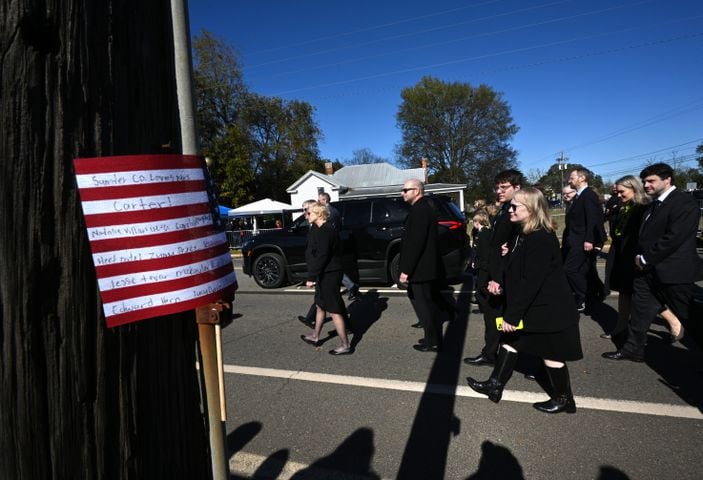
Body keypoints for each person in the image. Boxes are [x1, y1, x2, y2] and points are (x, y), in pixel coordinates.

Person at [467, 187, 582, 414]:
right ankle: (495, 385)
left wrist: (512, 315)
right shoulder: (523, 232)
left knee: (552, 355)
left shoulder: (540, 237)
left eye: (515, 206)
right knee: (509, 340)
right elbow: (518, 270)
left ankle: (564, 400)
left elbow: (531, 281)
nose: (510, 209)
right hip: (534, 305)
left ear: (530, 209)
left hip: (549, 309)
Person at [603, 163, 703, 362]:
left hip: (673, 271)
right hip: (646, 272)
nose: (646, 185)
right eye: (645, 181)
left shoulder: (683, 203)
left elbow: (674, 238)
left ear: (667, 180)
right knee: (640, 313)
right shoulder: (653, 204)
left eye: (651, 181)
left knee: (691, 317)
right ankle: (633, 349)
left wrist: (646, 258)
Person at [463, 169, 524, 366]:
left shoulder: (516, 212)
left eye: (504, 187)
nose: (499, 191)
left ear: (517, 187)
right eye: (497, 187)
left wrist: (496, 278)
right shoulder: (504, 211)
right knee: (495, 319)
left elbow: (516, 244)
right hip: (494, 273)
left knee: (504, 320)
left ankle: (529, 360)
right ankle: (491, 353)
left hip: (502, 276)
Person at [399, 179, 446, 353]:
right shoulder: (424, 207)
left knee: (424, 305)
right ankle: (431, 336)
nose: (402, 193)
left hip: (420, 267)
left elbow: (416, 243)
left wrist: (406, 270)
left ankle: (432, 341)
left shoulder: (420, 210)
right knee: (423, 301)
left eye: (406, 190)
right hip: (423, 266)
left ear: (417, 191)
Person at [599, 175, 649, 341]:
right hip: (621, 254)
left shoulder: (643, 208)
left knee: (648, 296)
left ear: (634, 189)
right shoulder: (622, 207)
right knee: (624, 292)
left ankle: (673, 322)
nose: (618, 195)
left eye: (622, 192)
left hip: (635, 256)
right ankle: (620, 326)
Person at [300, 202, 352, 355]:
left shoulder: (327, 231)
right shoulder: (319, 228)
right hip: (324, 273)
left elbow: (322, 256)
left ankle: (345, 345)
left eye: (309, 213)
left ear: (319, 214)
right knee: (321, 305)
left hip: (330, 273)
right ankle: (316, 336)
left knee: (334, 309)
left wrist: (311, 276)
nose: (306, 215)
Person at [562, 167, 606, 312]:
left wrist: (590, 240)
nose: (570, 180)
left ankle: (585, 296)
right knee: (582, 270)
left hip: (582, 241)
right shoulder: (580, 196)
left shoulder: (588, 195)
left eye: (572, 177)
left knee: (570, 269)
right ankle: (589, 297)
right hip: (575, 240)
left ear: (582, 178)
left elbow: (593, 219)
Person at [318, 191, 361, 301]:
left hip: (331, 243)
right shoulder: (335, 211)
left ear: (325, 200)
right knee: (333, 268)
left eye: (320, 199)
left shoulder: (328, 212)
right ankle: (348, 287)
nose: (318, 201)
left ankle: (349, 287)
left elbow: (327, 228)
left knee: (332, 268)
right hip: (336, 241)